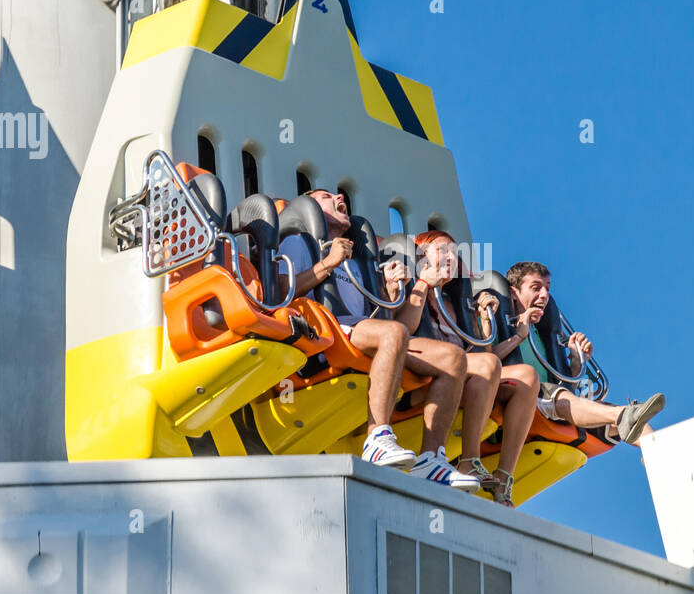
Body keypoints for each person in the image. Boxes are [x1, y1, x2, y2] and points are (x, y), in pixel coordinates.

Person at [277, 190, 478, 491]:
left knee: (453, 358)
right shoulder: (298, 242)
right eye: (325, 196)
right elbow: (282, 291)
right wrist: (328, 263)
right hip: (325, 330)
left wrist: (391, 291)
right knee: (393, 333)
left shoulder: (358, 260)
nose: (338, 196)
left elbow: (377, 312)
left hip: (366, 331)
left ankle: (430, 459)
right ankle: (377, 438)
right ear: (308, 207)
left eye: (338, 195)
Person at [384, 231, 539, 507]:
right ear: (421, 256)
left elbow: (483, 357)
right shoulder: (411, 281)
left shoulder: (456, 302)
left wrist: (486, 323)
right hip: (421, 373)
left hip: (460, 373)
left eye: (454, 253)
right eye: (442, 250)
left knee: (527, 376)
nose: (450, 257)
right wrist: (421, 285)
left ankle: (503, 478)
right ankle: (469, 459)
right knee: (486, 363)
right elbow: (402, 329)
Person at [503, 260, 665, 445]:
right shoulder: (502, 326)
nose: (544, 295)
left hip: (555, 403)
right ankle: (622, 416)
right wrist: (518, 336)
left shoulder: (541, 335)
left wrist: (576, 361)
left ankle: (660, 453)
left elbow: (563, 385)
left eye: (547, 288)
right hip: (525, 399)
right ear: (514, 293)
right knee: (615, 414)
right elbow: (492, 360)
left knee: (638, 422)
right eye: (536, 288)